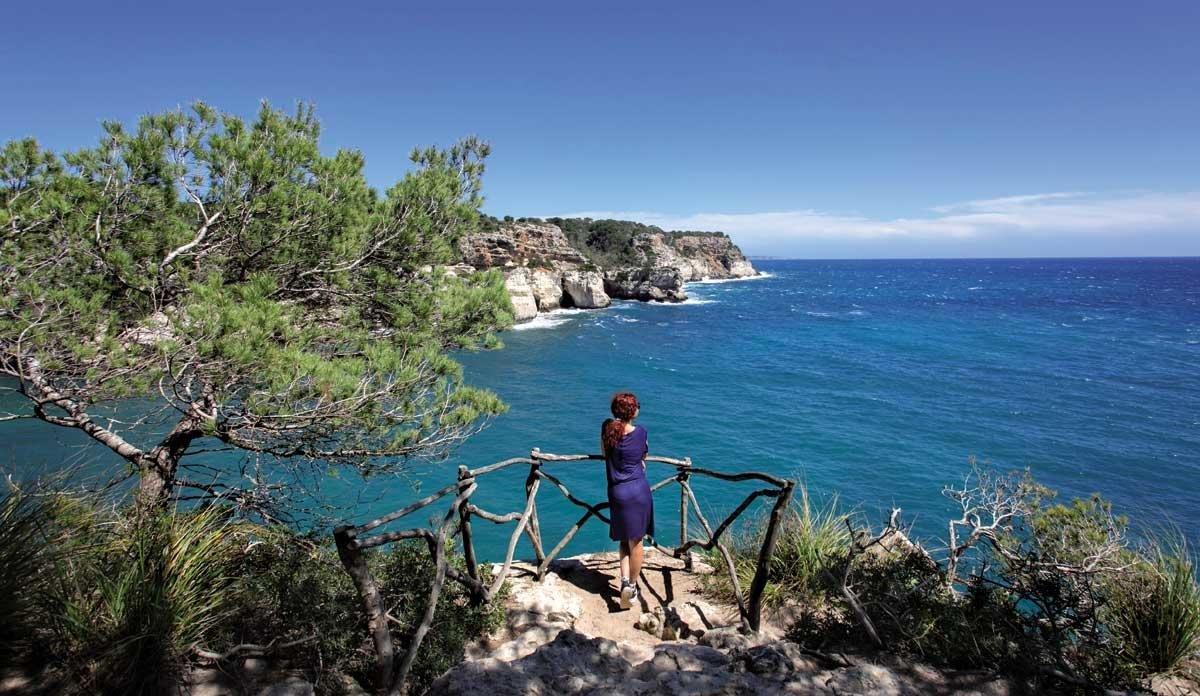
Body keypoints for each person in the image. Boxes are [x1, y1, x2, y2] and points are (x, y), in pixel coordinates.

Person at [601, 391, 653, 609]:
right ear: (633, 411)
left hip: (618, 493)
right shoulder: (641, 433)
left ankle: (624, 582)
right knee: (637, 542)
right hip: (639, 491)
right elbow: (644, 457)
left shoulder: (607, 429)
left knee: (624, 539)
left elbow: (604, 453)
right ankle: (632, 586)